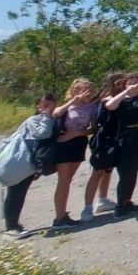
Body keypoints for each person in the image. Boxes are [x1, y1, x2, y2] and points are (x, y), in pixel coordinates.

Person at [2, 94, 57, 239]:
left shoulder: (50, 120)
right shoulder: (33, 120)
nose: (48, 108)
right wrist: (45, 117)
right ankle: (10, 228)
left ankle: (14, 223)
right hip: (19, 162)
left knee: (20, 193)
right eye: (44, 105)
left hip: (29, 165)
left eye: (50, 105)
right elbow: (43, 134)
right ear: (37, 107)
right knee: (15, 193)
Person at [107, 72, 138, 217]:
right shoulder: (120, 99)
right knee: (125, 172)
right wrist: (125, 92)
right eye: (130, 83)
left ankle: (126, 201)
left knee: (133, 170)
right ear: (125, 84)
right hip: (123, 138)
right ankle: (120, 205)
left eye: (136, 83)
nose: (134, 86)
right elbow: (109, 105)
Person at [50, 79, 98, 228]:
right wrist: (72, 102)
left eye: (89, 90)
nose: (87, 93)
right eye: (84, 90)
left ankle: (63, 214)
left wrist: (77, 133)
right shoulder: (67, 106)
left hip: (79, 142)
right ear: (74, 91)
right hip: (63, 144)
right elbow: (55, 114)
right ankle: (59, 218)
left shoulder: (91, 107)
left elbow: (94, 128)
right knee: (63, 180)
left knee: (68, 179)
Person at [80, 72, 124, 222]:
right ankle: (87, 208)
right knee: (97, 172)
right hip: (104, 140)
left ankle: (102, 199)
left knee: (108, 170)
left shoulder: (118, 98)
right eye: (121, 82)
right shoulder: (106, 99)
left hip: (114, 139)